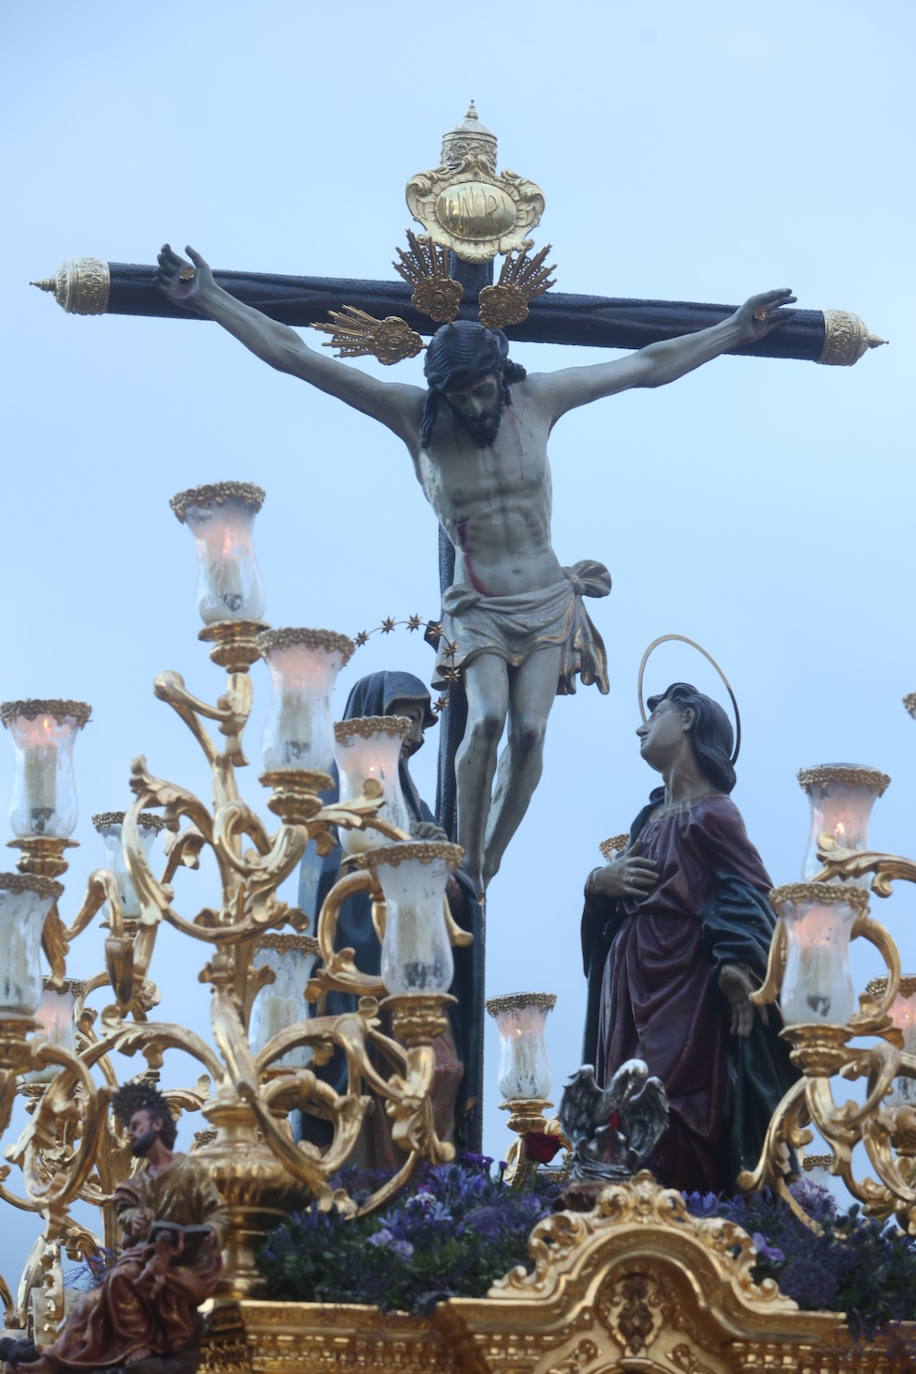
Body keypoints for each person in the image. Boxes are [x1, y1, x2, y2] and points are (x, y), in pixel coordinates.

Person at [156, 244, 795, 895]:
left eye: (482, 390)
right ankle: (464, 856)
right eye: (458, 397)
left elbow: (647, 365)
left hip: (547, 597)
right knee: (485, 721)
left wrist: (735, 329)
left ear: (500, 372)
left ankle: (487, 860)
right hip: (479, 605)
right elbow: (298, 357)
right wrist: (210, 296)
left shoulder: (539, 399)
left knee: (531, 731)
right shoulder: (416, 420)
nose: (473, 406)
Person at [580, 682, 796, 1194]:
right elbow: (613, 895)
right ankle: (624, 1214)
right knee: (622, 1106)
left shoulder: (714, 812)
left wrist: (735, 965)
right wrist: (597, 882)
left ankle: (687, 1218)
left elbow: (749, 894)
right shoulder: (648, 819)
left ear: (689, 720)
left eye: (656, 713)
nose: (641, 724)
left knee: (677, 1107)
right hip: (629, 980)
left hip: (685, 985)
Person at [298, 671, 484, 1160]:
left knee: (442, 1069)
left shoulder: (415, 800)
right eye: (407, 721)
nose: (418, 736)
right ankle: (373, 1182)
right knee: (377, 1071)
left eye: (422, 724)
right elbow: (327, 883)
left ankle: (422, 1189)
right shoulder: (332, 790)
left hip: (416, 971)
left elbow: (450, 893)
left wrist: (446, 873)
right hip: (360, 973)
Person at [9, 1082, 227, 1374]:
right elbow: (126, 1224)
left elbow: (219, 1214)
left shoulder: (190, 1171)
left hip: (185, 1259)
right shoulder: (135, 1185)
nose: (130, 1133)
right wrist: (136, 1223)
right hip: (145, 1259)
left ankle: (138, 1345)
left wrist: (207, 1232)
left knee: (120, 1279)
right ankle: (53, 1360)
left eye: (136, 1125)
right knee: (92, 1302)